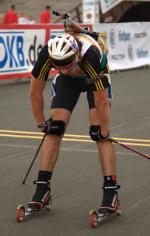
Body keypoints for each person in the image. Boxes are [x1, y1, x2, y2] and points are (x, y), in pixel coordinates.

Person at [27, 27, 120, 217]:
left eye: (66, 64)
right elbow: (35, 93)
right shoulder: (49, 53)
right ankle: (42, 189)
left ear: (76, 55)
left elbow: (101, 100)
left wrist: (103, 129)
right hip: (68, 82)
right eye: (57, 66)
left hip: (93, 77)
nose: (61, 69)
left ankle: (111, 193)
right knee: (55, 130)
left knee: (100, 134)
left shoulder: (91, 56)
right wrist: (42, 124)